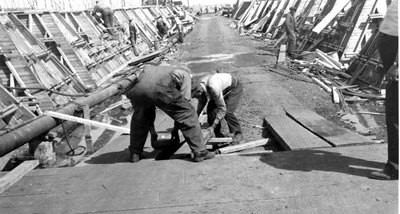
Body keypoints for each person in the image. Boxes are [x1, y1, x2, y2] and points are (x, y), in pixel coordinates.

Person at [126, 65, 215, 163]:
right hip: (159, 87)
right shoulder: (186, 74)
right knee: (188, 113)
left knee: (141, 117)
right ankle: (200, 151)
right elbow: (185, 101)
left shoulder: (159, 69)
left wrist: (153, 133)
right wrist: (178, 124)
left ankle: (135, 153)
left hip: (136, 89)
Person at [370, 0, 398, 180]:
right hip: (392, 42)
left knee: (395, 112)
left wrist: (397, 64)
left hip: (396, 49)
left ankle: (394, 168)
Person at [193, 72, 244, 145]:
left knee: (228, 111)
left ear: (199, 91)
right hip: (222, 88)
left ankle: (238, 133)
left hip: (234, 87)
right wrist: (195, 118)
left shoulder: (213, 88)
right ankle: (218, 135)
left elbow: (222, 109)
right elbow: (202, 102)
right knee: (211, 109)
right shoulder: (200, 86)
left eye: (196, 96)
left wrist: (213, 126)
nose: (197, 98)